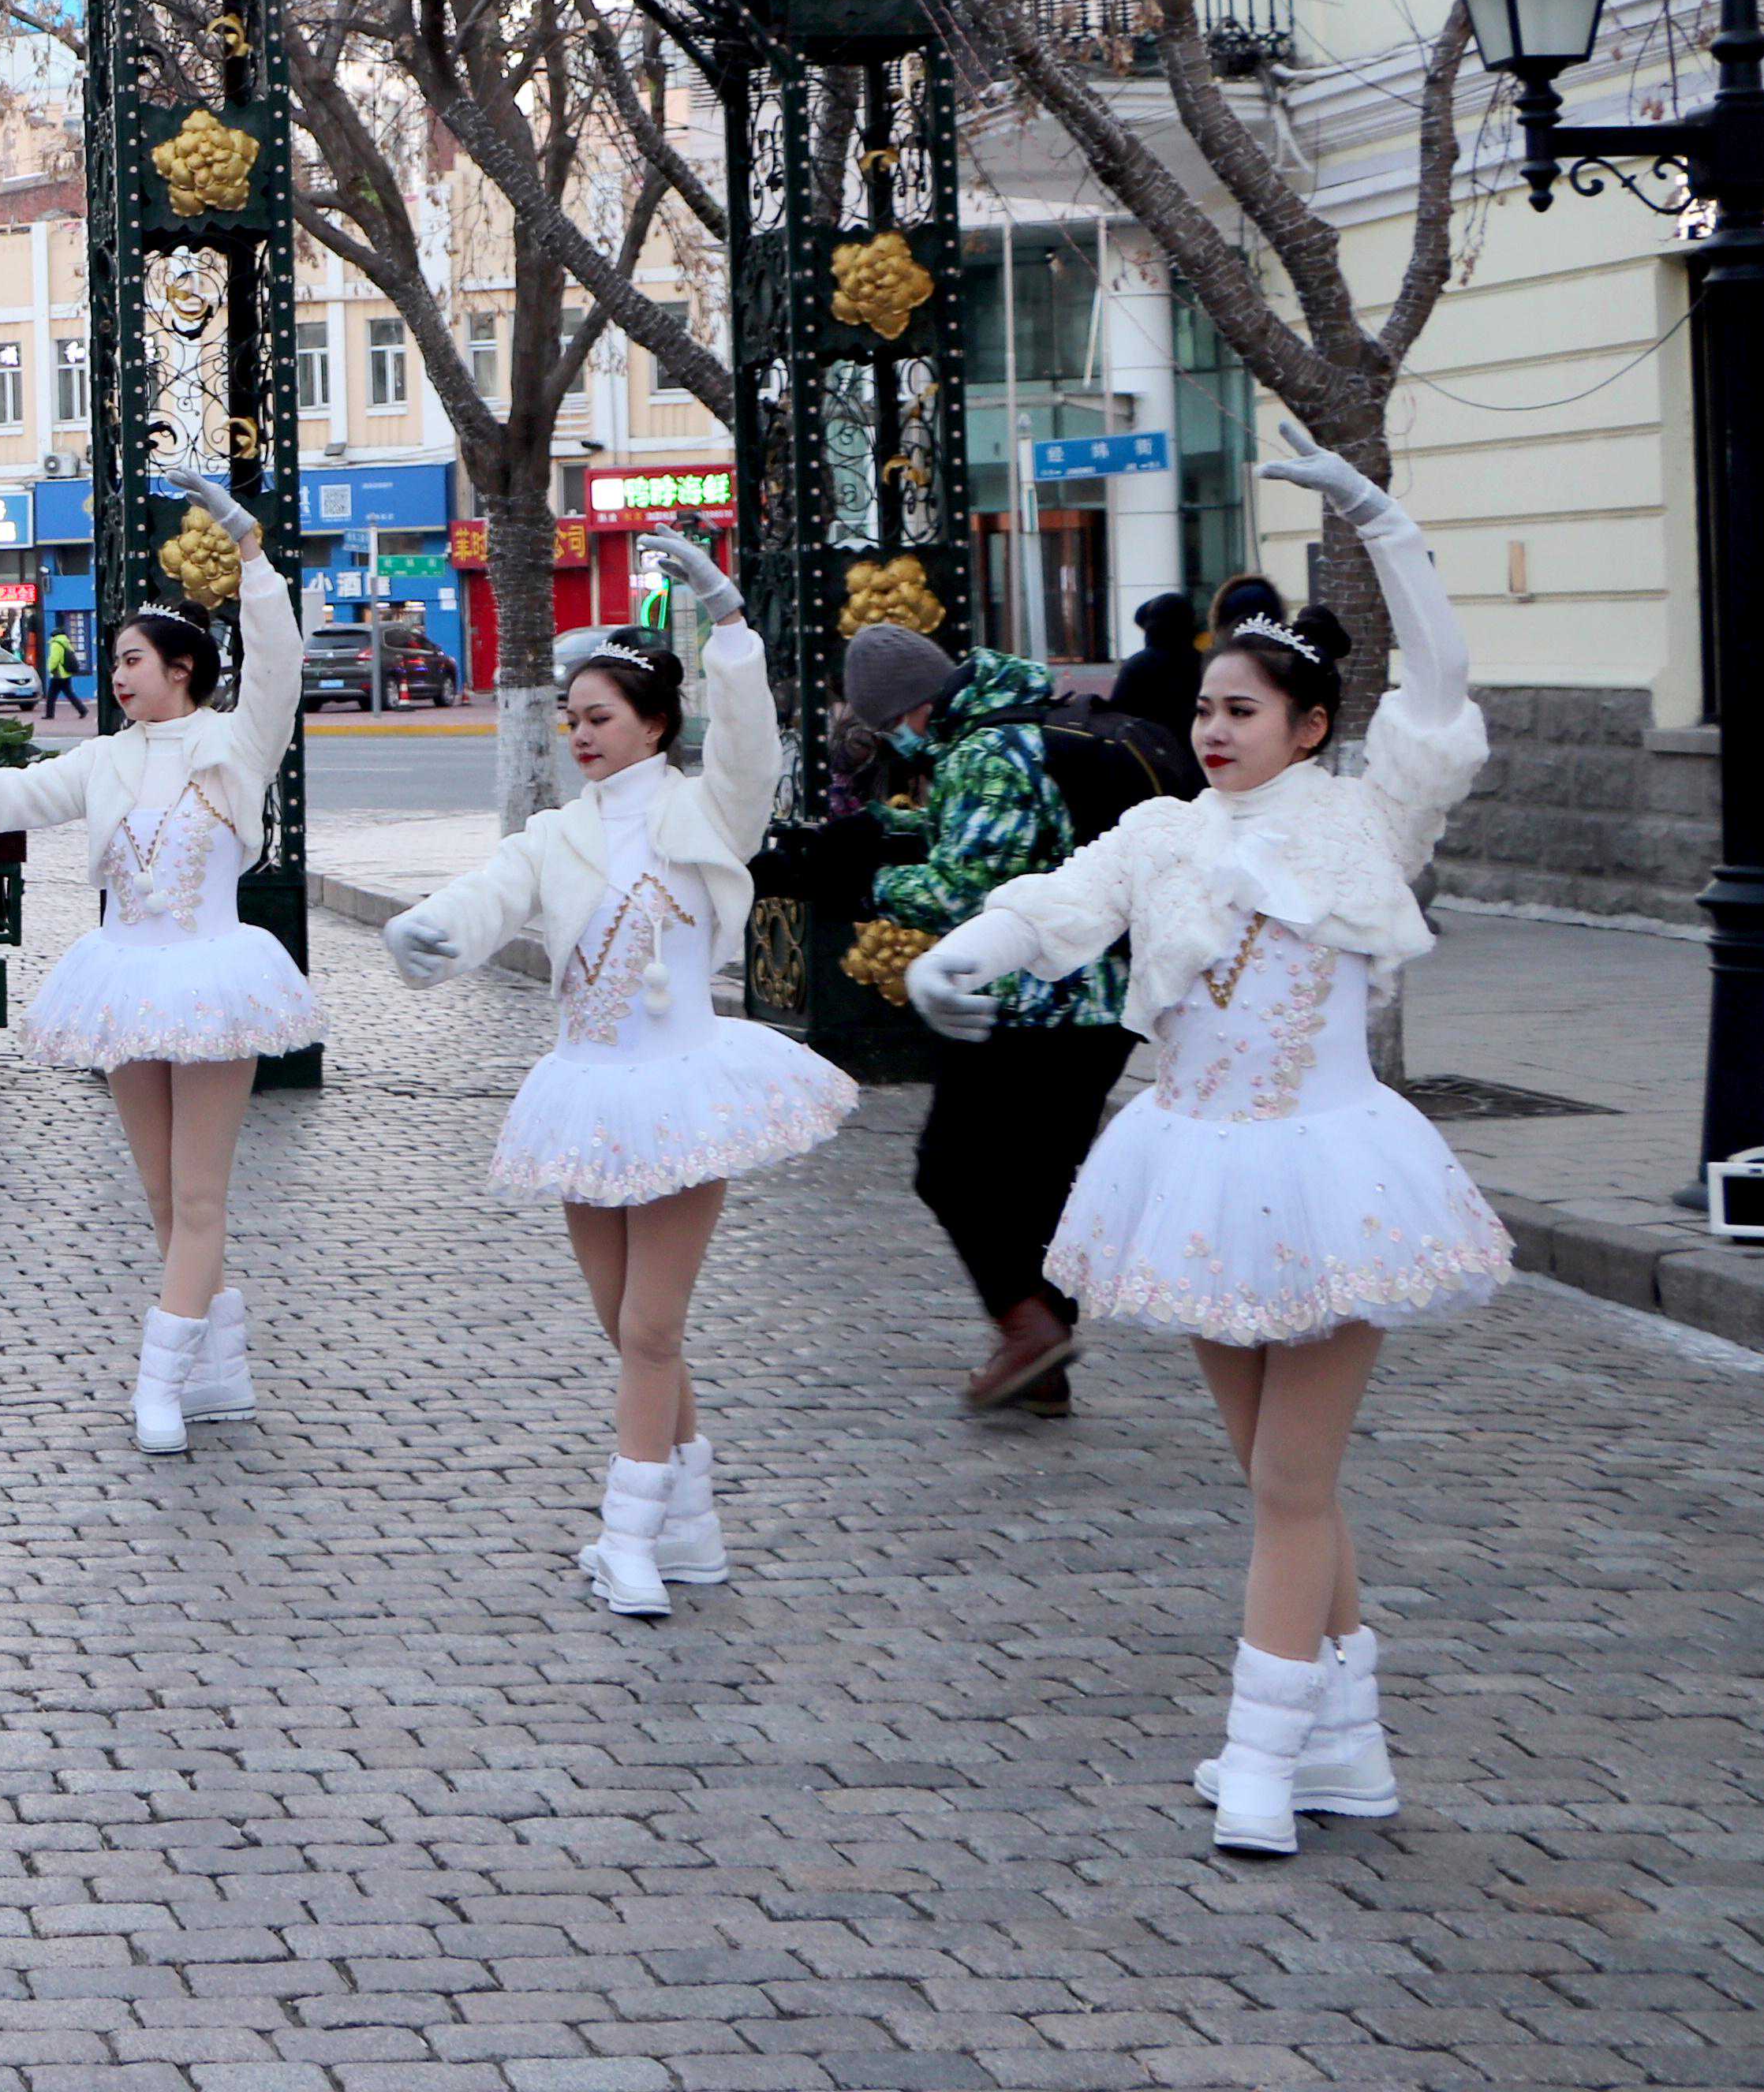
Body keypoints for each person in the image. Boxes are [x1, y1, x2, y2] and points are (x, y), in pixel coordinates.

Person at [911, 431, 1510, 1859]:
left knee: (1291, 1485)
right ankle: (1348, 1749)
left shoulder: (1370, 820)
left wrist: (1385, 527)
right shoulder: (1164, 835)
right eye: (1205, 710)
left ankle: (1259, 1757)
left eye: (1245, 710)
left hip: (1333, 1171)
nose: (1217, 730)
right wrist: (963, 953)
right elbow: (1057, 902)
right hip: (1194, 1172)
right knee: (1277, 1481)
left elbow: (1441, 694)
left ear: (1310, 725)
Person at [380, 535, 850, 1617]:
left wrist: (729, 624)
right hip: (586, 1093)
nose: (581, 734)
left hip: (684, 1088)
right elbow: (490, 893)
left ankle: (629, 1537)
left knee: (651, 1328)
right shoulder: (556, 835)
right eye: (570, 718)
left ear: (655, 724)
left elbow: (751, 750)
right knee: (624, 1326)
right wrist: (428, 931)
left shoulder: (705, 814)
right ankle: (692, 1525)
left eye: (599, 716)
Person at [0, 476, 312, 1451]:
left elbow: (278, 663)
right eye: (114, 661)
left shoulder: (237, 742)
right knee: (162, 1195)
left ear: (183, 668)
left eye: (131, 659)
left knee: (198, 1196)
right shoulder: (106, 759)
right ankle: (221, 1368)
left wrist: (252, 557)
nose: (116, 675)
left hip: (211, 980)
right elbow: (20, 794)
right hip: (125, 978)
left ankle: (158, 1381)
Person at [842, 623, 1136, 1418]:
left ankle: (1028, 1327)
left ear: (911, 708)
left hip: (1027, 1005)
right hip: (1104, 1005)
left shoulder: (982, 753)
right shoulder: (1025, 727)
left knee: (949, 1168)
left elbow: (967, 891)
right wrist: (890, 833)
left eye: (888, 726)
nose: (895, 743)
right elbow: (1010, 842)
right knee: (1040, 1185)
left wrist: (869, 884)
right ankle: (1043, 1361)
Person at [1106, 592, 1205, 744]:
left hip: (1148, 749)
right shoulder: (1205, 663)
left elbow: (1117, 715)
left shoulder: (1136, 666)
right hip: (1196, 746)